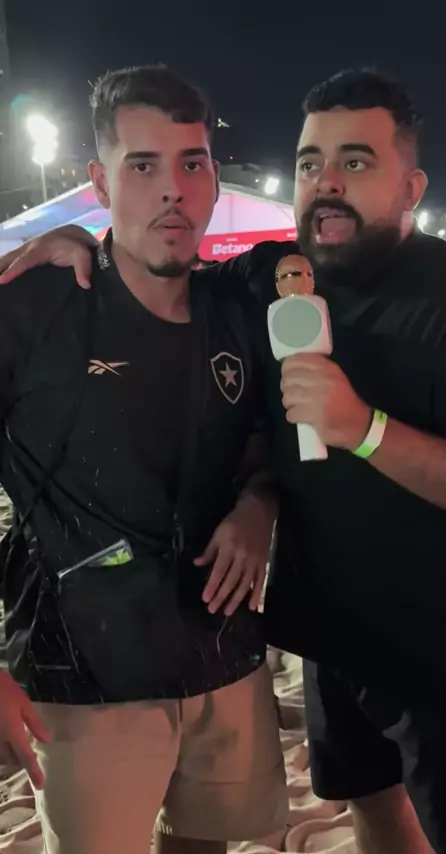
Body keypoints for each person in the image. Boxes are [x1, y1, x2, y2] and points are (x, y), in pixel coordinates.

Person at [5, 68, 446, 854]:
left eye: (356, 161)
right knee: (373, 806)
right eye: (309, 162)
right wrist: (67, 239)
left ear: (412, 187)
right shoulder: (257, 282)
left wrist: (324, 457)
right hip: (298, 643)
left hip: (420, 650)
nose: (327, 183)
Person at [0, 64, 288, 854]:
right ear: (99, 182)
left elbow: (264, 443)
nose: (173, 190)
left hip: (225, 656)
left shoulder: (238, 308)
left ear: (215, 176)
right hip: (83, 678)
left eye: (192, 162)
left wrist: (260, 507)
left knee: (206, 845)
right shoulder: (34, 306)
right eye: (142, 165)